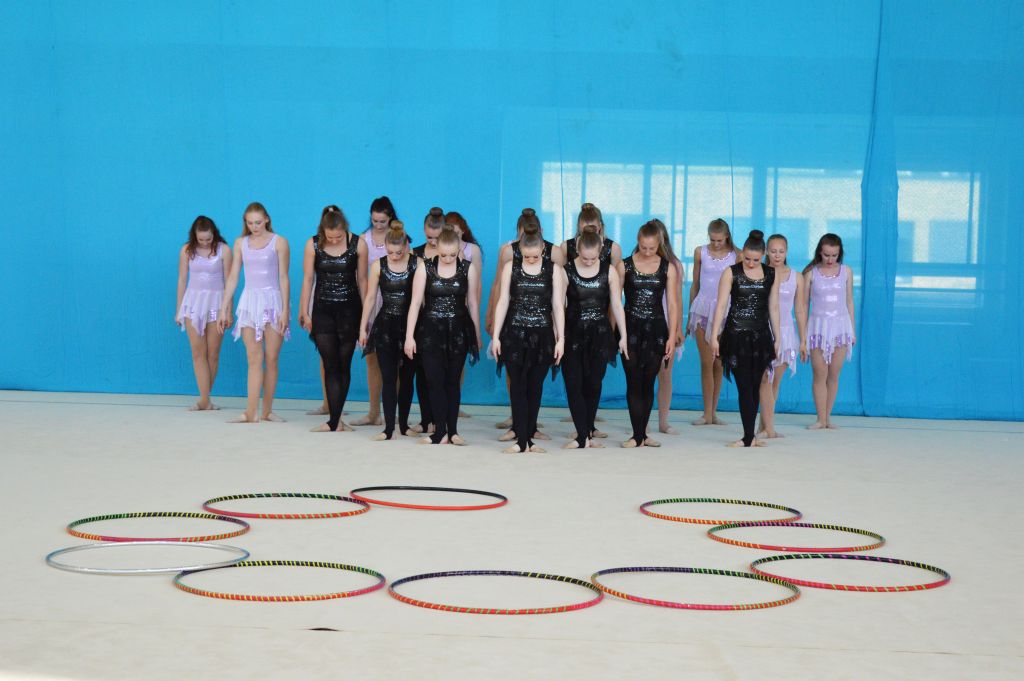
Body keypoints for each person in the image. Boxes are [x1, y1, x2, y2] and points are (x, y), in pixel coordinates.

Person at [486, 208, 562, 438]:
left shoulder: (553, 263)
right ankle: (518, 428)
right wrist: (495, 330)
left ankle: (530, 429)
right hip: (515, 329)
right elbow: (501, 295)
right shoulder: (509, 261)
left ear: (542, 248)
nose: (530, 260)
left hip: (542, 330)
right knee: (517, 382)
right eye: (526, 256)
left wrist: (560, 336)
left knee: (534, 384)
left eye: (535, 257)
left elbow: (558, 303)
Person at [404, 227, 482, 445]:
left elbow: (473, 303)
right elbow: (415, 303)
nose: (448, 259)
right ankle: (439, 431)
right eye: (444, 255)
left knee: (452, 382)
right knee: (434, 381)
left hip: (458, 331)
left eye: (452, 255)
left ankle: (453, 431)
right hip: (431, 332)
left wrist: (476, 334)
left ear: (459, 250)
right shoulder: (425, 267)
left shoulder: (468, 268)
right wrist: (409, 336)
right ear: (436, 249)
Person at [219, 202, 290, 423]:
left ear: (266, 219)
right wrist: (223, 307)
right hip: (249, 303)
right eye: (250, 223)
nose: (254, 227)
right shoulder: (240, 243)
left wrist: (285, 310)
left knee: (272, 358)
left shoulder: (279, 242)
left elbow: (283, 277)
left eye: (258, 222)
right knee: (253, 358)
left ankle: (267, 410)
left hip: (272, 302)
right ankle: (250, 411)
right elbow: (233, 277)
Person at [297, 205, 366, 432]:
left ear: (345, 228)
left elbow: (363, 281)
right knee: (330, 365)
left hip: (350, 311)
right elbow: (308, 279)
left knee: (344, 365)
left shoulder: (358, 244)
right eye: (330, 237)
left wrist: (366, 317)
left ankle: (335, 421)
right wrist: (304, 310)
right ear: (322, 231)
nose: (335, 241)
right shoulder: (313, 244)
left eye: (338, 237)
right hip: (323, 311)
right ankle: (335, 421)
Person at [710, 230, 781, 448]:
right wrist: (714, 336)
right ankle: (748, 436)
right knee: (743, 386)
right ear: (743, 255)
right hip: (736, 336)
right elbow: (721, 305)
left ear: (763, 256)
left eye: (756, 260)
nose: (750, 263)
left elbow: (773, 307)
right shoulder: (731, 273)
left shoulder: (771, 274)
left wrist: (778, 337)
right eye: (747, 259)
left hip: (760, 337)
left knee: (755, 385)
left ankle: (750, 436)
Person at [561, 230, 629, 449]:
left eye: (593, 258)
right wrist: (559, 337)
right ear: (577, 251)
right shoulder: (566, 271)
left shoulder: (609, 272)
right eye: (584, 258)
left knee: (593, 384)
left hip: (599, 335)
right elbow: (558, 306)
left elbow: (617, 304)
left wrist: (623, 335)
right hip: (573, 334)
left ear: (600, 252)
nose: (589, 262)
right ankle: (582, 436)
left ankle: (587, 431)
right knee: (573, 384)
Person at [621, 220, 679, 448]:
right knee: (633, 381)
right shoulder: (625, 265)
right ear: (638, 241)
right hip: (631, 329)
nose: (647, 252)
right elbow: (615, 301)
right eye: (643, 247)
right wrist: (617, 332)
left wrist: (672, 336)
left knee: (648, 382)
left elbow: (672, 304)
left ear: (659, 244)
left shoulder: (668, 267)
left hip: (656, 330)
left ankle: (643, 435)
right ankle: (637, 435)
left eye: (652, 248)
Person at [359, 220, 417, 440]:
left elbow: (421, 299)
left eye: (399, 252)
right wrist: (363, 327)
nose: (394, 256)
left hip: (410, 326)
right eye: (390, 252)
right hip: (386, 326)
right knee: (389, 378)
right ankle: (389, 428)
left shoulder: (417, 264)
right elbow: (370, 298)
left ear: (406, 247)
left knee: (407, 378)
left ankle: (404, 424)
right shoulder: (378, 265)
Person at [349, 196, 398, 427]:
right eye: (374, 221)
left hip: (393, 302)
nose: (378, 225)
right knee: (372, 360)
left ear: (390, 218)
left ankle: (392, 412)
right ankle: (372, 412)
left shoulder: (398, 239)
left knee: (395, 362)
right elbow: (359, 276)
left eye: (382, 221)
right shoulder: (362, 240)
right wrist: (363, 311)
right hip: (369, 301)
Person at [175, 216, 231, 411]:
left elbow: (229, 282)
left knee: (213, 353)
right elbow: (182, 280)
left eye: (208, 239)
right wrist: (179, 309)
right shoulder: (186, 250)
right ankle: (205, 400)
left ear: (214, 234)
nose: (205, 243)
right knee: (198, 352)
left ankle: (205, 399)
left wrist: (227, 311)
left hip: (216, 304)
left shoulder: (224, 250)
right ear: (194, 236)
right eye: (201, 240)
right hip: (193, 304)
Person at [687, 218, 738, 426]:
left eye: (719, 240)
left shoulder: (736, 255)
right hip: (702, 309)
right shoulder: (700, 252)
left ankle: (713, 413)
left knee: (719, 362)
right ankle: (706, 413)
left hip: (724, 311)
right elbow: (695, 284)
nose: (716, 244)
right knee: (706, 362)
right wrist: (690, 315)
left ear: (726, 236)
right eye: (712, 240)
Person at [802, 233, 856, 430]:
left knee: (834, 374)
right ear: (819, 252)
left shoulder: (846, 272)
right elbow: (803, 305)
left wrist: (852, 330)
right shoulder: (811, 274)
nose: (830, 259)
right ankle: (820, 418)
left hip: (841, 328)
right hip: (818, 328)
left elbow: (849, 301)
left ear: (840, 253)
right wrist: (803, 335)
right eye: (826, 255)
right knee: (820, 373)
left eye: (834, 255)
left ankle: (827, 418)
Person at [758, 234, 807, 438]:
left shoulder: (796, 277)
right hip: (763, 331)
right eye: (773, 251)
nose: (777, 255)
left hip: (786, 333)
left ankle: (765, 427)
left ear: (786, 252)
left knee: (774, 383)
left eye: (781, 251)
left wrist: (803, 340)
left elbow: (800, 309)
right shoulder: (759, 272)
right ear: (766, 252)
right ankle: (767, 428)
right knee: (764, 381)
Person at [408, 207, 446, 435]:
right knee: (422, 373)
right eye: (429, 237)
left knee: (441, 373)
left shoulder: (451, 254)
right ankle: (425, 420)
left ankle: (441, 419)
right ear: (423, 230)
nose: (432, 241)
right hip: (421, 318)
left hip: (444, 319)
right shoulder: (415, 253)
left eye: (437, 237)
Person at [446, 210, 483, 419]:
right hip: (443, 309)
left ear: (463, 230)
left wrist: (472, 307)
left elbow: (476, 284)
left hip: (464, 308)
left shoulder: (472, 250)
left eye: (457, 233)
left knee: (457, 362)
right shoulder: (442, 249)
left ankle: (454, 403)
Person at [653, 220, 685, 435]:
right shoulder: (637, 260)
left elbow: (677, 300)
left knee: (665, 374)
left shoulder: (674, 265)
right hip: (646, 321)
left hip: (667, 320)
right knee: (644, 374)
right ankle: (640, 420)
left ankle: (663, 421)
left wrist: (677, 329)